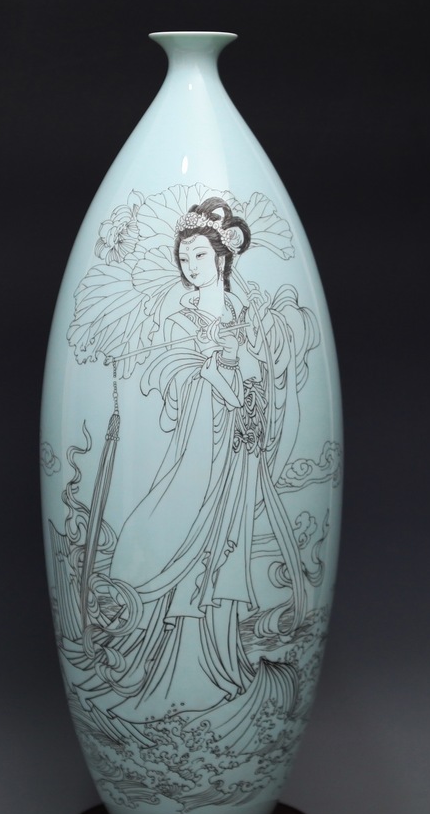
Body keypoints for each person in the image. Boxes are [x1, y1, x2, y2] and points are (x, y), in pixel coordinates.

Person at [78, 198, 307, 727]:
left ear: (222, 257)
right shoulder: (180, 318)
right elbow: (184, 382)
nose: (190, 265)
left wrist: (240, 380)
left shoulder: (246, 316)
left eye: (199, 255)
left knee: (224, 542)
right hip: (198, 442)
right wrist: (214, 374)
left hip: (235, 446)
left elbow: (258, 379)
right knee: (177, 524)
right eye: (183, 257)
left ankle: (217, 662)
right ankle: (169, 665)